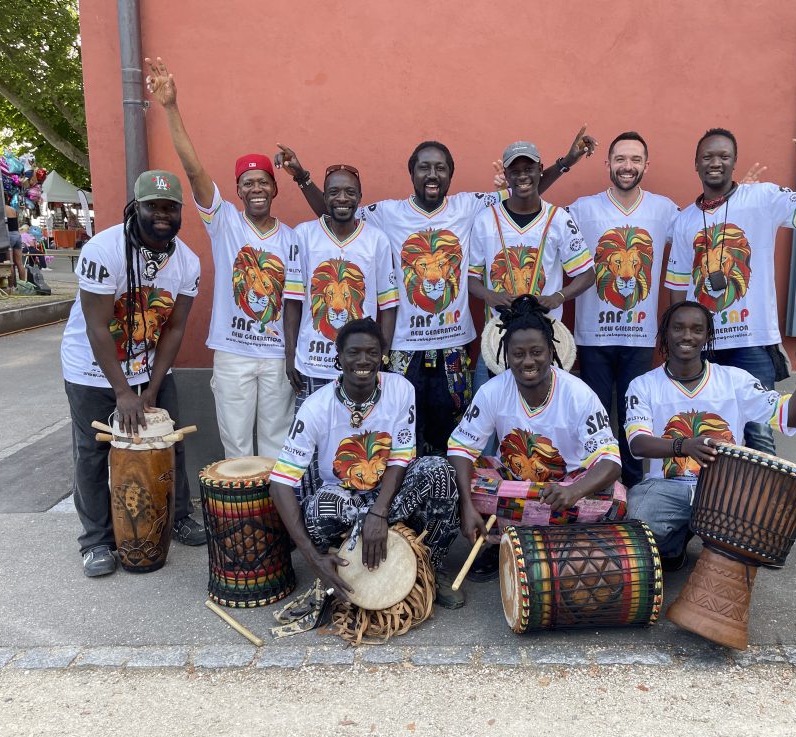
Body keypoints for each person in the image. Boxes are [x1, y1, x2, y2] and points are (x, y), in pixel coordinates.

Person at [275, 128, 596, 456]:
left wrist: (565, 163)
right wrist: (302, 178)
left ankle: (451, 488)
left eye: (440, 168)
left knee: (454, 437)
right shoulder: (386, 214)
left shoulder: (469, 206)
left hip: (453, 347)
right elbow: (335, 210)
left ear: (450, 175)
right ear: (411, 173)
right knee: (402, 436)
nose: (432, 174)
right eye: (424, 167)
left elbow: (524, 187)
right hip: (404, 349)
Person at [145, 57, 296, 460]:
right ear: (238, 191)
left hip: (276, 355)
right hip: (233, 352)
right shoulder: (224, 221)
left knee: (277, 446)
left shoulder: (293, 239)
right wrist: (171, 107)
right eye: (248, 183)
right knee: (237, 450)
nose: (256, 188)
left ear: (274, 189)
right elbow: (194, 171)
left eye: (263, 181)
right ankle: (244, 506)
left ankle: (275, 504)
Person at [665, 108, 796, 455]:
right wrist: (675, 344)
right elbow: (678, 289)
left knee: (758, 437)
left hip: (752, 344)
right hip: (703, 346)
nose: (715, 162)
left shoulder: (762, 198)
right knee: (708, 431)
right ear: (696, 164)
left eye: (723, 156)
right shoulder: (684, 221)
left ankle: (762, 493)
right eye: (707, 157)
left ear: (734, 162)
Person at [61, 170, 207, 578]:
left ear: (180, 212)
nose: (162, 214)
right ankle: (97, 541)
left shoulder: (188, 261)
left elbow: (174, 328)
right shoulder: (103, 250)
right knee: (93, 452)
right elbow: (96, 327)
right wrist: (124, 392)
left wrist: (152, 388)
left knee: (168, 441)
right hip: (92, 369)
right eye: (152, 206)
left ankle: (176, 516)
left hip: (147, 365)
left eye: (170, 207)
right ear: (134, 208)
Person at [269, 318, 463, 608]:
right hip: (346, 501)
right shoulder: (315, 407)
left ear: (382, 356)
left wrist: (379, 513)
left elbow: (401, 456)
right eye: (354, 352)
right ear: (339, 357)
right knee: (318, 510)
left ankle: (432, 568)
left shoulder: (400, 389)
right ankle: (343, 566)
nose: (363, 360)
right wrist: (312, 558)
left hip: (391, 496)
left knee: (439, 471)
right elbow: (280, 482)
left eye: (372, 352)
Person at [624, 300, 796, 570]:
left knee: (758, 533)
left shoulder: (735, 380)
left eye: (697, 329)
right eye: (678, 328)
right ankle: (673, 547)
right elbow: (638, 444)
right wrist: (685, 446)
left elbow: (791, 417)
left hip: (724, 489)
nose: (687, 335)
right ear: (665, 333)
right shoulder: (643, 385)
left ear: (708, 336)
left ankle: (718, 551)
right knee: (640, 523)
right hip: (667, 488)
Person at [447, 296, 622, 578]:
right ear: (506, 355)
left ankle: (520, 535)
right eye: (518, 353)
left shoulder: (578, 393)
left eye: (537, 352)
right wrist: (467, 504)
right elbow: (461, 449)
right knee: (463, 482)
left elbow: (610, 462)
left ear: (551, 351)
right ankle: (506, 543)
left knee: (615, 499)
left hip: (564, 489)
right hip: (513, 487)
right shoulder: (492, 391)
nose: (528, 361)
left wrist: (574, 491)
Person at [570, 131, 680, 489]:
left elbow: (699, 232)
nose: (627, 166)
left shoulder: (665, 209)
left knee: (635, 418)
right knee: (596, 418)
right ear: (608, 163)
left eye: (635, 159)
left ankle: (634, 490)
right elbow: (542, 228)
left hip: (640, 337)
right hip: (593, 336)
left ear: (647, 165)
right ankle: (598, 489)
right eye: (620, 159)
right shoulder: (582, 209)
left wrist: (732, 203)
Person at [283, 164, 398, 497]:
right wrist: (290, 355)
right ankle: (310, 510)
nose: (342, 198)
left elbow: (389, 304)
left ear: (360, 197)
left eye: (349, 192)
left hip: (360, 367)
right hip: (312, 365)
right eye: (333, 192)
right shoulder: (303, 235)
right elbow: (293, 300)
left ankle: (358, 510)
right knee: (309, 445)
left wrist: (383, 354)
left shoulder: (376, 240)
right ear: (325, 196)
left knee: (357, 441)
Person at [468, 140, 597, 391]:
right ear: (506, 175)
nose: (522, 176)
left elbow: (587, 274)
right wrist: (490, 295)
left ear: (540, 169)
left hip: (545, 340)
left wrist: (558, 297)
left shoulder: (558, 219)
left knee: (545, 409)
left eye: (528, 169)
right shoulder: (485, 219)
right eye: (515, 171)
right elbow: (471, 278)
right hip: (497, 338)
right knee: (486, 407)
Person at [4, 199, 25, 287]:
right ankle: (23, 285)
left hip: (8, 235)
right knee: (20, 263)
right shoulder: (13, 209)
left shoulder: (1, 209)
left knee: (10, 263)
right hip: (17, 234)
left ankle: (11, 286)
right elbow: (17, 224)